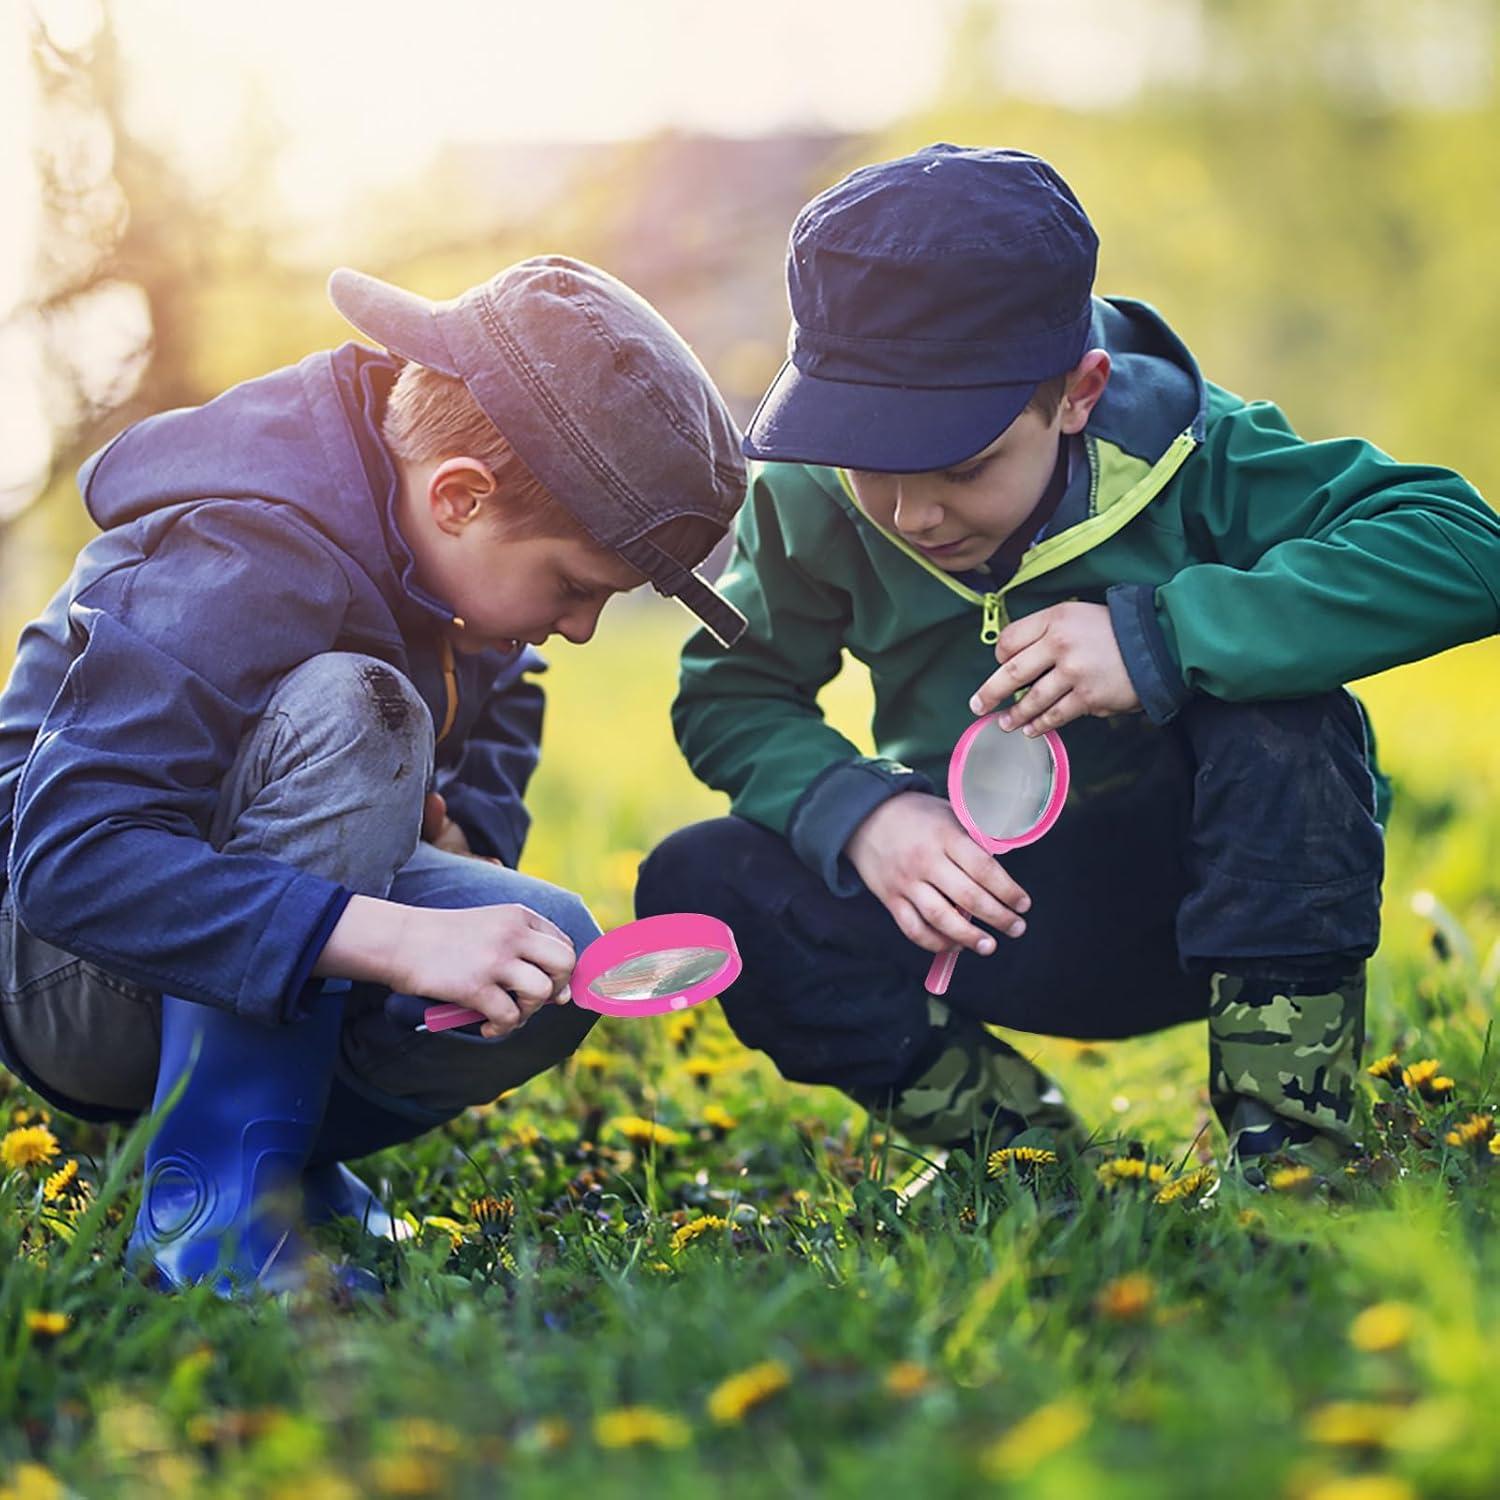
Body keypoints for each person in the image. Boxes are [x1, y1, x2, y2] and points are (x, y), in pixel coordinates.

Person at [637, 145, 1500, 1183]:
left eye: (961, 468)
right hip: (979, 908)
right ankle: (1023, 1159)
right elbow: (733, 694)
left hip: (1226, 902)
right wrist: (864, 815)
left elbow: (1465, 547)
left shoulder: (1199, 454)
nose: (913, 513)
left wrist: (1163, 639)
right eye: (871, 465)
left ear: (1081, 393)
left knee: (1285, 714)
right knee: (697, 879)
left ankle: (1289, 1156)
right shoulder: (809, 497)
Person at [0, 256, 747, 1289]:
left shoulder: (437, 553)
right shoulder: (241, 548)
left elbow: (506, 690)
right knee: (362, 707)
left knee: (550, 952)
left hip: (220, 938)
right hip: (62, 968)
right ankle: (211, 1221)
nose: (580, 628)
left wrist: (468, 840)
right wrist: (399, 938)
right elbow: (72, 866)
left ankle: (289, 1162)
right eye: (575, 587)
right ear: (459, 495)